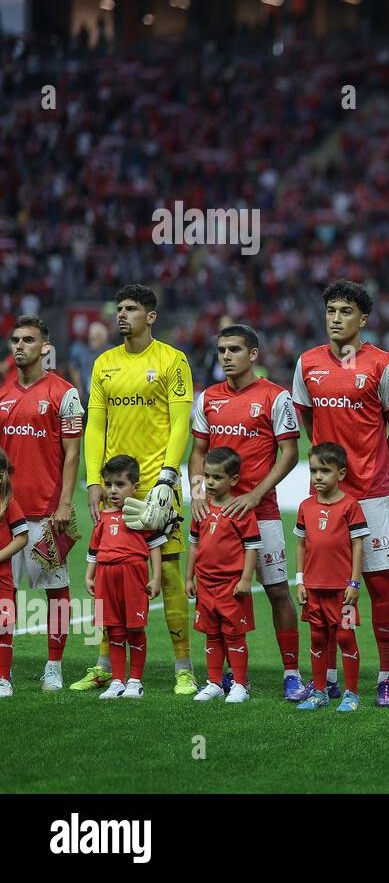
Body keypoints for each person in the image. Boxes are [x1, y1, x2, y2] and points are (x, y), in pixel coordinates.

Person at [291, 281, 389, 706]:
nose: (335, 319)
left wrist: (376, 469)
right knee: (324, 589)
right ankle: (325, 682)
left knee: (378, 585)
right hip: (323, 498)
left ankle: (388, 676)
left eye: (345, 311)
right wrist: (331, 474)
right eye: (331, 311)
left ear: (363, 319)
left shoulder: (384, 365)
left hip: (370, 495)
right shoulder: (307, 364)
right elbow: (308, 424)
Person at [73, 286, 196, 696]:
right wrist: (94, 481)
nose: (122, 315)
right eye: (119, 308)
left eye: (131, 309)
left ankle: (183, 668)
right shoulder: (104, 363)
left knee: (171, 574)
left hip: (156, 487)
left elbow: (180, 423)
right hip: (115, 488)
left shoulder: (172, 361)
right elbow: (94, 426)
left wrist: (167, 476)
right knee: (110, 573)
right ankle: (106, 667)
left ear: (151, 316)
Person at [190, 324, 306, 701]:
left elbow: (289, 453)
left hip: (262, 512)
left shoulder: (276, 397)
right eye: (222, 350)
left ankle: (291, 673)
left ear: (253, 354)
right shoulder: (207, 398)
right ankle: (228, 676)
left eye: (234, 349)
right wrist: (196, 493)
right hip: (216, 516)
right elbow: (198, 452)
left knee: (276, 591)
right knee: (217, 594)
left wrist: (256, 494)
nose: (226, 356)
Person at [0, 315, 85, 691]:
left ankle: (54, 665)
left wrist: (65, 503)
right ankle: (5, 668)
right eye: (15, 340)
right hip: (6, 515)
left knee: (55, 593)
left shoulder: (64, 393)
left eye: (28, 340)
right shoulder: (1, 393)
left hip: (47, 513)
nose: (19, 346)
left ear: (44, 348)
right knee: (5, 596)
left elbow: (72, 455)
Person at [293, 443, 369, 713]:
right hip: (313, 589)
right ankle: (320, 692)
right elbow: (301, 544)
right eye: (314, 471)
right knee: (316, 639)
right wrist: (300, 580)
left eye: (325, 471)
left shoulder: (350, 506)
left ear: (341, 473)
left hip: (342, 590)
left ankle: (351, 693)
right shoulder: (305, 506)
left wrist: (354, 582)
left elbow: (358, 545)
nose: (318, 477)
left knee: (345, 638)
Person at [84, 455, 166, 699]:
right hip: (106, 577)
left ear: (135, 486)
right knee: (113, 631)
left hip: (132, 575)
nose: (112, 491)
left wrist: (156, 578)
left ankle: (135, 682)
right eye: (108, 485)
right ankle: (117, 681)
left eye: (120, 485)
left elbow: (155, 547)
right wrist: (90, 576)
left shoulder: (141, 514)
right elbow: (94, 549)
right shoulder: (102, 516)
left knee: (135, 629)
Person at [186, 448, 263, 704]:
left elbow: (251, 547)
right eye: (207, 476)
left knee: (234, 635)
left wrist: (245, 579)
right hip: (205, 585)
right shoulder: (200, 509)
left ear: (233, 480)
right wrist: (189, 578)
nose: (209, 482)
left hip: (231, 586)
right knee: (212, 634)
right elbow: (194, 544)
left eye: (217, 477)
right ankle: (214, 683)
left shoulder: (241, 509)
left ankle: (240, 684)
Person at [0, 448, 31, 698]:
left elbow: (21, 538)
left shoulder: (9, 504)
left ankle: (3, 679)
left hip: (2, 577)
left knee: (3, 628)